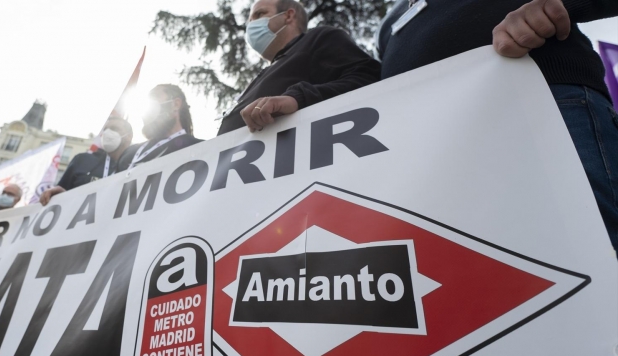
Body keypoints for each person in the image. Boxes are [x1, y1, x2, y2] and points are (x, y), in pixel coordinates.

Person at [376, 0, 618, 251]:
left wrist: (558, 6)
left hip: (541, 106)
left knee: (588, 252)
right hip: (430, 156)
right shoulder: (388, 25)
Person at [217, 0, 381, 135]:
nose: (251, 25)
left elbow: (368, 77)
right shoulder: (268, 70)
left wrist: (298, 99)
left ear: (288, 16)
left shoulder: (318, 38)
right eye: (250, 21)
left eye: (259, 14)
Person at [39, 117, 133, 205]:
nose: (107, 133)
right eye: (105, 129)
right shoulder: (82, 160)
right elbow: (61, 196)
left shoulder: (137, 165)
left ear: (129, 136)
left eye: (114, 128)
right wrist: (59, 194)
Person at [115, 84, 203, 173]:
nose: (149, 103)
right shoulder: (128, 154)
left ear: (175, 104)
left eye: (155, 97)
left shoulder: (201, 149)